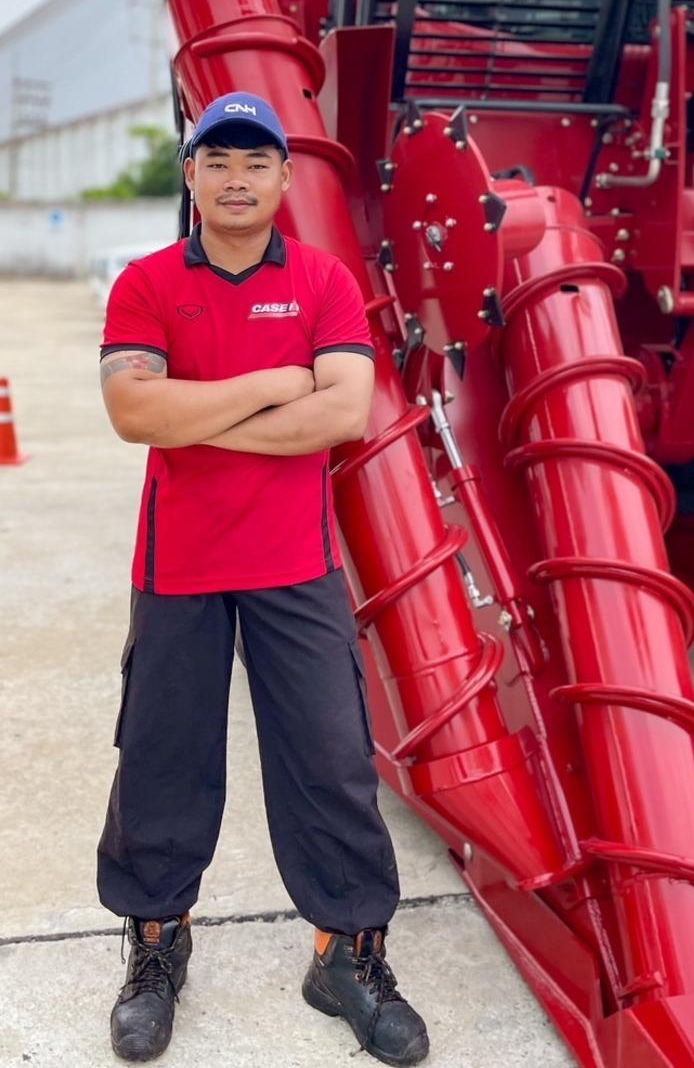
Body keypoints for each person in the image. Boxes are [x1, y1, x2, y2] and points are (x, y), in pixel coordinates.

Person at [96, 89, 429, 1067]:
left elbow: (341, 416)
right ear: (191, 174)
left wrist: (197, 411)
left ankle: (346, 955)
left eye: (256, 162)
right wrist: (274, 384)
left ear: (284, 179)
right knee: (162, 757)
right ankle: (158, 946)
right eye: (218, 160)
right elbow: (133, 414)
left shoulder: (324, 282)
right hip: (180, 566)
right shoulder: (148, 282)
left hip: (296, 565)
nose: (237, 178)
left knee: (330, 758)